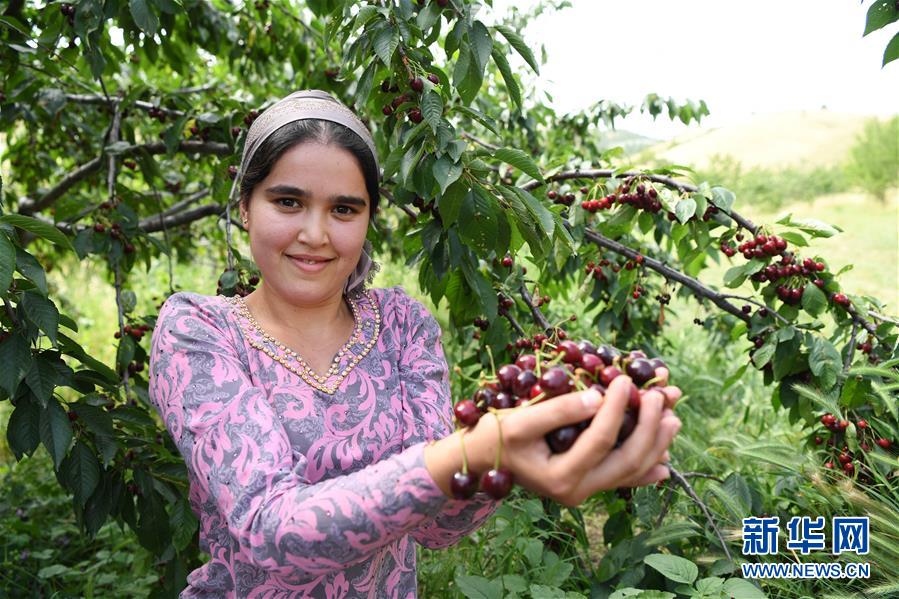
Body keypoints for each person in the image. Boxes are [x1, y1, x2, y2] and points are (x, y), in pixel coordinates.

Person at [148, 90, 682, 598]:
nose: (315, 233)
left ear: (367, 220)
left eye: (344, 210)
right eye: (288, 202)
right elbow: (274, 533)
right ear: (245, 205)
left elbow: (438, 526)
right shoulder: (200, 332)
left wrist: (517, 454)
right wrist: (477, 448)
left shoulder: (401, 324)